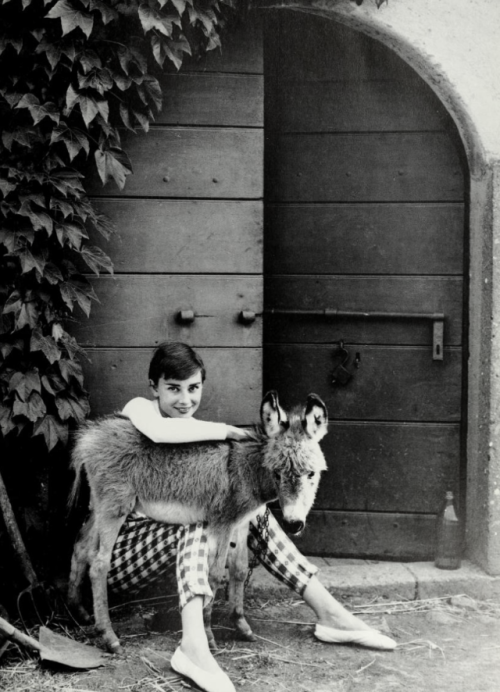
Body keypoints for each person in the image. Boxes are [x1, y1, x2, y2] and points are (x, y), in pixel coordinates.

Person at [109, 342, 396, 692]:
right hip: (124, 550)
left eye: (194, 388)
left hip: (163, 545)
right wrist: (228, 431)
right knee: (201, 521)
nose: (185, 399)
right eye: (173, 389)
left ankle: (330, 613)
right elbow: (161, 433)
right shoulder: (140, 410)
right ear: (153, 387)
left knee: (254, 509)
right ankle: (192, 647)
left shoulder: (193, 426)